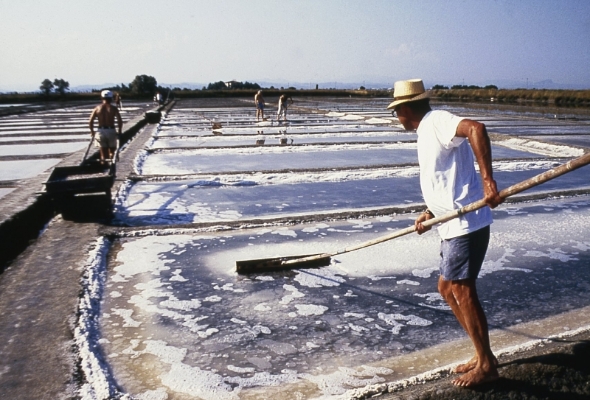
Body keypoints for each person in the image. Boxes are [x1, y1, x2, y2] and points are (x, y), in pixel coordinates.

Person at [388, 79, 503, 387]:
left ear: (406, 108)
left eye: (397, 111)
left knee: (462, 291)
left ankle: (486, 364)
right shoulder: (426, 130)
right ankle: (483, 357)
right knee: (446, 289)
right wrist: (431, 213)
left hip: (466, 224)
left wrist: (489, 182)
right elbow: (444, 178)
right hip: (451, 223)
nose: (396, 118)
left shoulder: (436, 120)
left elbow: (476, 128)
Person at [89, 90, 123, 164]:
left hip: (101, 131)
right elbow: (119, 121)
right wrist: (119, 132)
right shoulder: (113, 109)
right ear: (111, 98)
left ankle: (104, 167)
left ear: (101, 98)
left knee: (103, 154)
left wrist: (92, 132)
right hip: (111, 131)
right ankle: (112, 167)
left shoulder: (97, 108)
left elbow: (90, 121)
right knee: (112, 152)